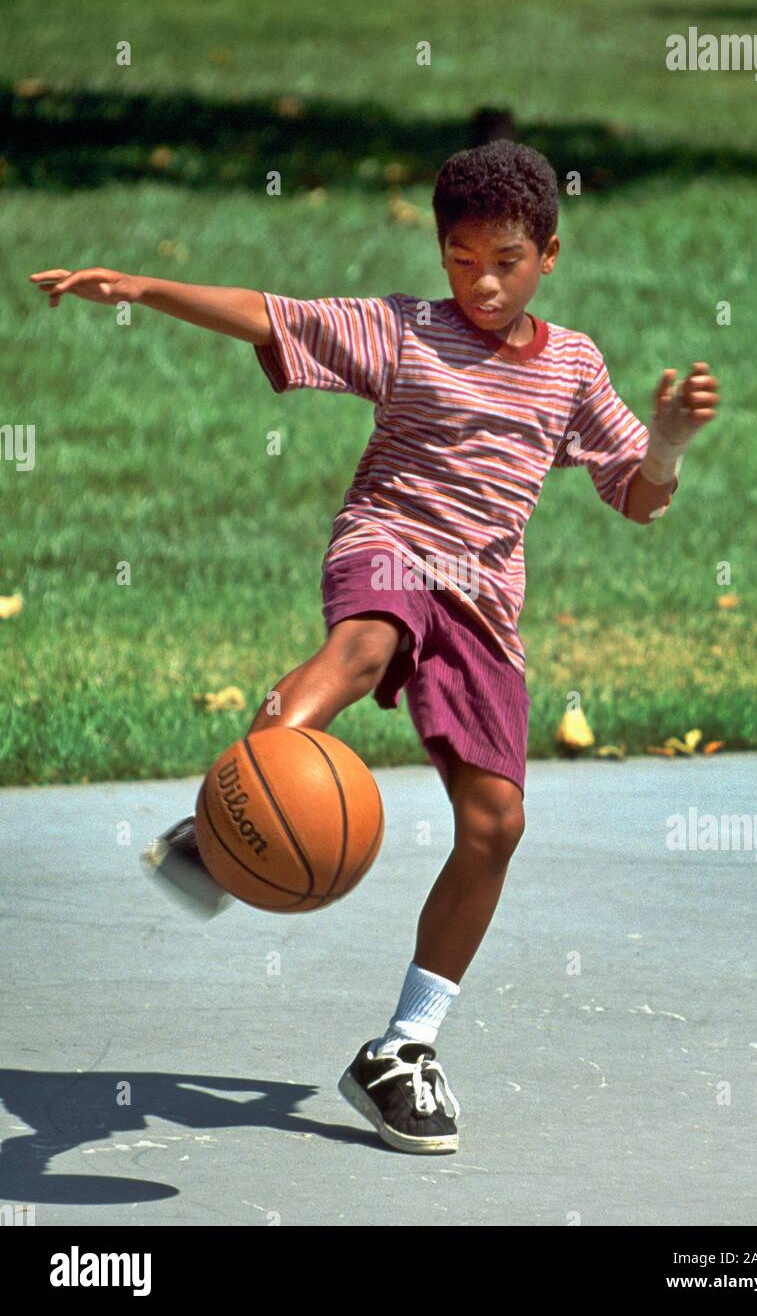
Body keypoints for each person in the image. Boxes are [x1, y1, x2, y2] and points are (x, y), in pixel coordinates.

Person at [28, 139, 720, 1156]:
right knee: (358, 647)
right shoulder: (404, 331)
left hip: (481, 602)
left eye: (505, 259)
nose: (480, 282)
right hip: (388, 546)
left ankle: (401, 1049)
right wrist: (139, 285)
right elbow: (274, 314)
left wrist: (663, 443)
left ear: (548, 254)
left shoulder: (573, 364)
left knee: (496, 821)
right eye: (459, 257)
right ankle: (227, 815)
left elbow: (634, 497)